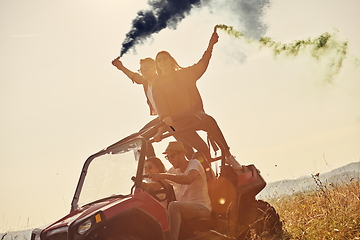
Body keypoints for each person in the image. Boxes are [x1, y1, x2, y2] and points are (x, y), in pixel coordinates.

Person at [151, 27, 242, 170]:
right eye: (159, 61)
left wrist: (210, 46)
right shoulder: (157, 83)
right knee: (202, 148)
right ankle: (207, 175)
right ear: (157, 64)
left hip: (193, 114)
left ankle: (228, 155)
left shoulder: (184, 74)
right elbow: (159, 101)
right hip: (177, 122)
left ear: (170, 61)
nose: (162, 62)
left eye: (164, 59)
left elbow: (202, 64)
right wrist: (165, 117)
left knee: (210, 121)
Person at [111, 57, 195, 158]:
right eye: (141, 70)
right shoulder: (146, 83)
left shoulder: (162, 81)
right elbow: (136, 77)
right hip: (161, 118)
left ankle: (198, 166)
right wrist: (121, 67)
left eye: (145, 69)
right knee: (141, 137)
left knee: (184, 143)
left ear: (155, 68)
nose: (143, 72)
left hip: (172, 117)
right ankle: (152, 161)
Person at [149, 141, 212, 240]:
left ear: (182, 154)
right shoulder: (173, 171)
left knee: (173, 206)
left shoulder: (194, 164)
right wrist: (141, 184)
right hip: (185, 211)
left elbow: (188, 179)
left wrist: (164, 175)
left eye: (172, 156)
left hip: (202, 208)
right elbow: (157, 186)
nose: (170, 160)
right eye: (167, 157)